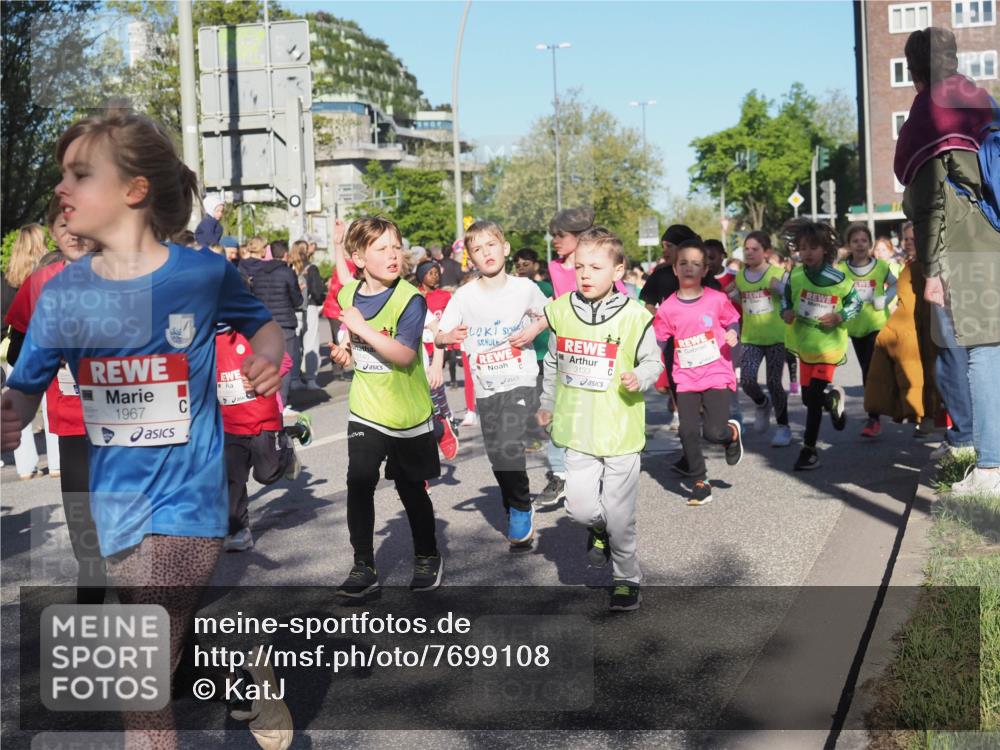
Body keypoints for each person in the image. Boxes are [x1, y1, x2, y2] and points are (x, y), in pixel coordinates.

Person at [0, 110, 287, 750]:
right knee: (149, 630)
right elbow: (24, 385)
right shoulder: (62, 293)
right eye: (62, 177)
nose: (61, 191)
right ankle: (240, 658)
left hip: (190, 498)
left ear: (133, 191)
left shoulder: (202, 274)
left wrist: (268, 353)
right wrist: (10, 413)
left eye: (80, 175)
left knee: (141, 658)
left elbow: (259, 322)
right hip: (113, 504)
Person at [895, 26, 1000, 494]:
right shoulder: (980, 97)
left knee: (982, 350)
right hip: (994, 228)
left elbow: (929, 201)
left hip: (964, 241)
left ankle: (992, 469)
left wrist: (934, 269)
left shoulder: (928, 111)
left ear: (914, 69)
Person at [537, 227, 662, 611]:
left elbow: (654, 362)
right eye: (579, 267)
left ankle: (626, 578)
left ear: (618, 272)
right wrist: (547, 402)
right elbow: (554, 362)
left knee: (621, 516)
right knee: (579, 509)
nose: (585, 274)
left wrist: (638, 377)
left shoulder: (635, 316)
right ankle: (598, 528)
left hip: (620, 428)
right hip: (578, 428)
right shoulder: (559, 311)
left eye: (595, 267)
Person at [327, 216, 443, 596]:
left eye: (397, 246)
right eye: (382, 249)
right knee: (359, 482)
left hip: (407, 414)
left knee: (411, 489)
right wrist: (344, 354)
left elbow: (405, 355)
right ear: (359, 257)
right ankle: (363, 565)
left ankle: (427, 555)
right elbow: (353, 345)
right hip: (366, 408)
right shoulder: (348, 296)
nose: (394, 255)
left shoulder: (410, 298)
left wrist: (360, 330)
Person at [4, 196, 105, 604]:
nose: (71, 232)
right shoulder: (42, 283)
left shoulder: (136, 271)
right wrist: (52, 355)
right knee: (85, 530)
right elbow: (17, 352)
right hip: (74, 420)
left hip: (134, 425)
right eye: (60, 225)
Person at [436, 221, 548, 545]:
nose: (486, 253)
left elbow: (548, 314)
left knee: (511, 445)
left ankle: (521, 507)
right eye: (478, 249)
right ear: (470, 258)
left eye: (491, 245)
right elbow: (439, 334)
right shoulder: (464, 296)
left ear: (505, 248)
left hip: (521, 379)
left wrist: (533, 331)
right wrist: (447, 337)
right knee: (497, 453)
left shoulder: (524, 288)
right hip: (486, 386)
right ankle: (513, 500)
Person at [654, 239, 744, 506]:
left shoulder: (717, 299)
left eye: (696, 264)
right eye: (683, 263)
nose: (689, 269)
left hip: (716, 371)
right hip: (686, 377)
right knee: (687, 431)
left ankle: (731, 435)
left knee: (713, 433)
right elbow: (659, 341)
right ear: (675, 269)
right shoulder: (668, 307)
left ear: (705, 270)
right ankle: (700, 482)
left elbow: (733, 320)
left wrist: (732, 334)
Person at [216, 325, 313, 552]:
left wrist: (263, 376)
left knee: (267, 475)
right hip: (229, 425)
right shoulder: (203, 340)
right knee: (233, 478)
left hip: (263, 422)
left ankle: (286, 448)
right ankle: (238, 530)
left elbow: (286, 362)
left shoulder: (253, 334)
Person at [780, 220, 862, 471]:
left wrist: (840, 316)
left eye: (813, 247)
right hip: (805, 345)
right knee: (808, 399)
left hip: (828, 345)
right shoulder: (794, 276)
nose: (807, 253)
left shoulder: (838, 278)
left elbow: (855, 304)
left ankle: (809, 450)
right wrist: (786, 313)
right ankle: (833, 399)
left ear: (825, 249)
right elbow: (785, 302)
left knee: (813, 398)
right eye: (803, 248)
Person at [864, 221, 941, 438]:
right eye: (905, 239)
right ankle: (927, 417)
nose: (907, 243)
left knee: (931, 374)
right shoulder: (911, 266)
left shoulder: (919, 268)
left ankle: (930, 418)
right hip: (917, 330)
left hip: (928, 329)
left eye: (912, 239)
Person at [734, 231, 793, 447]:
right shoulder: (740, 276)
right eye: (746, 249)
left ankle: (784, 427)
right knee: (747, 380)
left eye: (754, 249)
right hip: (751, 338)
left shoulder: (776, 273)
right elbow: (729, 298)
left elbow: (792, 293)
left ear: (766, 252)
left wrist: (781, 288)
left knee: (774, 382)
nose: (749, 253)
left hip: (777, 337)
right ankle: (762, 403)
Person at [839, 223, 897, 438]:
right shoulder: (843, 270)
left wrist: (885, 298)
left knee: (871, 368)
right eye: (855, 241)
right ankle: (875, 410)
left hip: (877, 324)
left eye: (864, 240)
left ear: (870, 243)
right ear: (849, 245)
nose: (860, 244)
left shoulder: (880, 267)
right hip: (855, 326)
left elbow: (895, 284)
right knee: (866, 368)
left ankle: (873, 418)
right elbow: (834, 292)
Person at [2, 224, 50, 480]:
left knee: (17, 410)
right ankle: (56, 464)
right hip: (43, 343)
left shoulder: (7, 277)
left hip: (16, 347)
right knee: (51, 410)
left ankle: (25, 468)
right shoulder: (47, 273)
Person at [240, 238, 303, 411]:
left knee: (267, 361)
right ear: (285, 254)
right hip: (285, 324)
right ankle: (282, 403)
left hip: (264, 325)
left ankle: (268, 402)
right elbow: (297, 300)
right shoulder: (287, 272)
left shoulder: (257, 272)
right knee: (286, 364)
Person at [514, 248, 554, 450]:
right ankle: (530, 436)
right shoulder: (510, 291)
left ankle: (543, 430)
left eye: (526, 264)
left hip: (543, 350)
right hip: (520, 352)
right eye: (518, 264)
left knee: (542, 394)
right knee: (525, 396)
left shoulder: (546, 288)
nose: (521, 268)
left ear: (536, 266)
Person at [322, 218, 358, 380]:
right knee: (340, 339)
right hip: (336, 309)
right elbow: (337, 288)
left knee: (339, 339)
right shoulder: (347, 266)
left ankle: (339, 370)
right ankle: (338, 371)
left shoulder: (349, 265)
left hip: (335, 309)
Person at [288, 239, 325, 390]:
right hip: (309, 307)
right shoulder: (311, 268)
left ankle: (294, 379)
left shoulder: (288, 268)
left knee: (294, 345)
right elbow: (317, 291)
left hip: (292, 309)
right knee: (311, 343)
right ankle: (310, 379)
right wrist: (319, 300)